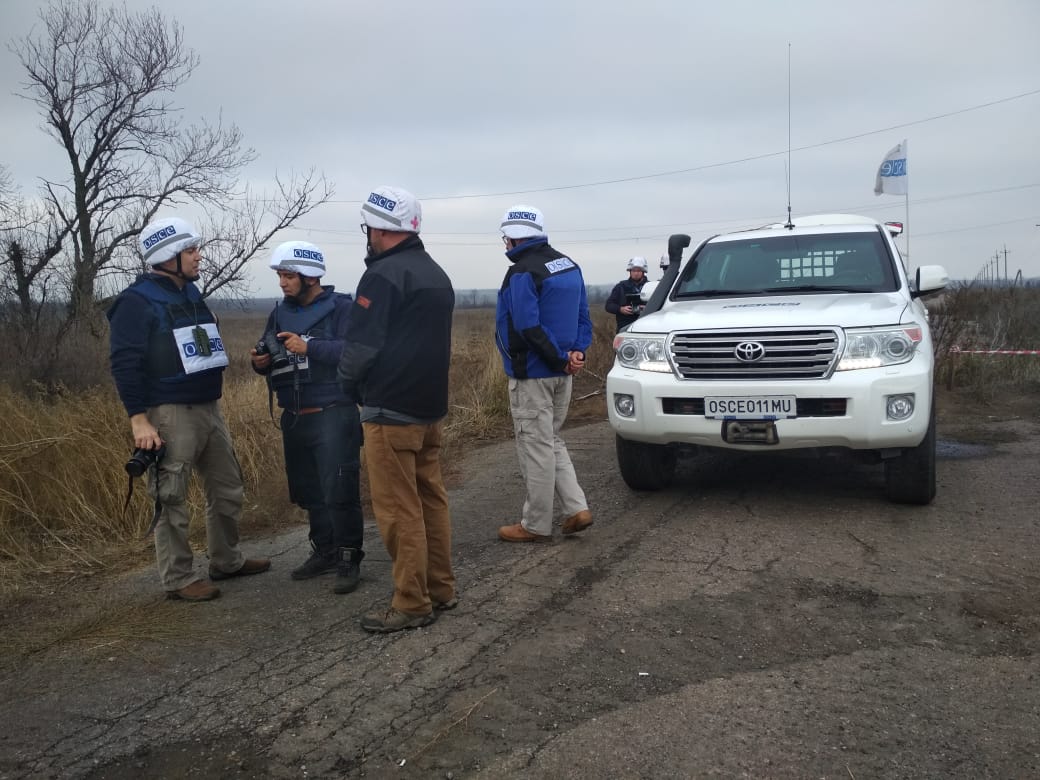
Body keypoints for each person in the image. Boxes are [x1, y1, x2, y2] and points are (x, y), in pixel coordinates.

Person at [107, 216, 270, 602]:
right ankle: (179, 578)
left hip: (208, 408)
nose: (199, 257)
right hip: (169, 412)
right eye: (191, 251)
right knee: (172, 495)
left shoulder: (189, 294)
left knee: (228, 487)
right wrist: (139, 419)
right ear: (167, 256)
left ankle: (226, 561)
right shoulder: (136, 301)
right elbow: (124, 362)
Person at [337, 186, 457, 633]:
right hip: (428, 408)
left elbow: (361, 347)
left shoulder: (383, 275)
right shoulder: (434, 272)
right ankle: (440, 589)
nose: (366, 234)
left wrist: (347, 386)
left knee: (398, 508)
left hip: (390, 408)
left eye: (368, 227)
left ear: (380, 228)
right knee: (430, 500)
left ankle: (410, 601)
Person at [250, 241, 365, 595]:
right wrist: (260, 363)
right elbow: (266, 347)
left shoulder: (343, 308)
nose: (282, 283)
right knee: (311, 491)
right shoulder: (280, 312)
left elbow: (357, 352)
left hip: (334, 411)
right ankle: (325, 550)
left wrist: (309, 346)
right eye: (280, 276)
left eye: (288, 275)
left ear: (310, 276)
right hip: (296, 414)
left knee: (340, 490)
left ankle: (348, 557)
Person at [495, 205, 594, 542]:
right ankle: (576, 508)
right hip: (563, 371)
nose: (505, 244)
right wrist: (575, 354)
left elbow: (526, 325)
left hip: (533, 374)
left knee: (535, 446)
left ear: (515, 236)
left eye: (505, 237)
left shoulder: (523, 272)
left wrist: (557, 358)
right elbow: (583, 316)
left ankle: (535, 525)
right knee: (550, 441)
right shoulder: (569, 265)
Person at [604, 256, 649, 332]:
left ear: (643, 272)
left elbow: (660, 306)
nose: (636, 273)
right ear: (630, 271)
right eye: (633, 271)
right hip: (624, 328)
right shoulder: (620, 287)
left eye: (638, 271)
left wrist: (647, 308)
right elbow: (608, 305)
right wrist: (620, 309)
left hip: (646, 327)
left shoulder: (651, 286)